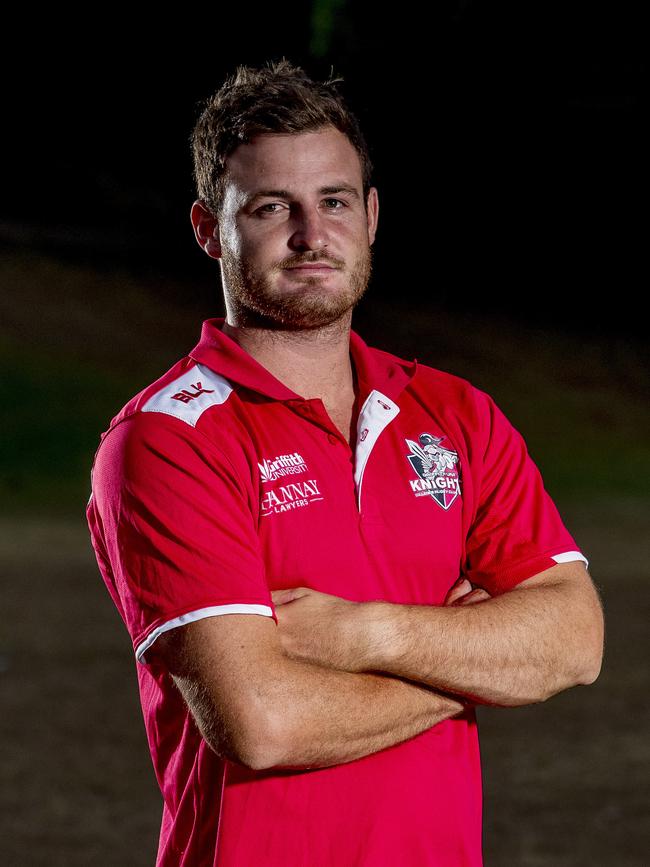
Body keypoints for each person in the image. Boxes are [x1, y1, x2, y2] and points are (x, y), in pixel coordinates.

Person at [85, 58, 604, 866]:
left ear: (369, 215)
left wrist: (369, 632)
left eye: (332, 201)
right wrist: (474, 655)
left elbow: (573, 639)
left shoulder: (454, 412)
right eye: (270, 207)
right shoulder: (165, 439)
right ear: (206, 229)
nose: (310, 234)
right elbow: (262, 722)